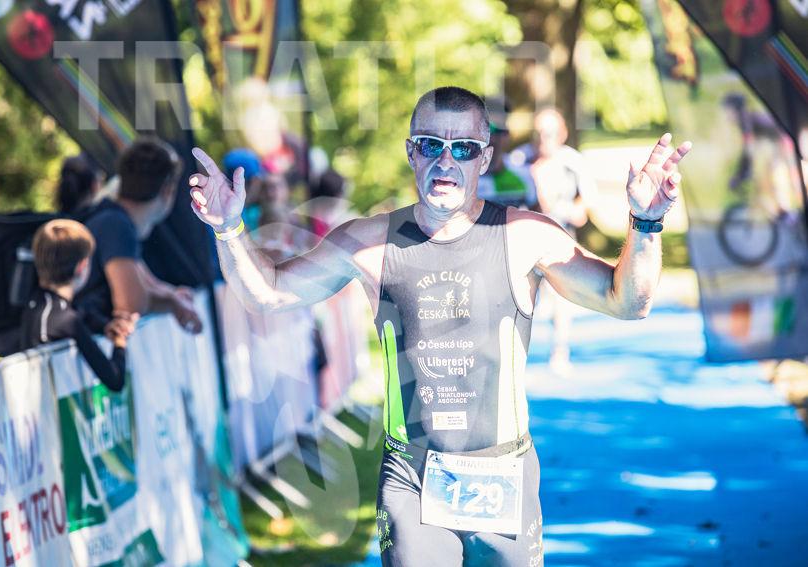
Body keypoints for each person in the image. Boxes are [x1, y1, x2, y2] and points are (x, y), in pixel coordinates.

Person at [188, 86, 691, 567]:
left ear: (484, 159)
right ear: (411, 152)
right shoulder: (368, 243)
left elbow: (628, 302)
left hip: (505, 473)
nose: (445, 161)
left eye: (464, 148)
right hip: (412, 478)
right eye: (431, 145)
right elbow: (269, 292)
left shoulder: (525, 236)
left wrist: (645, 223)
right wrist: (229, 230)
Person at [74, 138, 203, 335]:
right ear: (167, 190)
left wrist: (174, 297)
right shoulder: (117, 225)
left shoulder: (113, 217)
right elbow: (131, 304)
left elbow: (148, 282)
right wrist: (172, 302)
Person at [514, 108, 598, 375]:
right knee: (521, 297)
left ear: (562, 134)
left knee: (561, 298)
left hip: (560, 239)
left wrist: (570, 210)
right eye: (538, 132)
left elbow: (585, 206)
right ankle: (515, 354)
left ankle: (560, 350)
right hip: (524, 240)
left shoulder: (573, 162)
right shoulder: (518, 160)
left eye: (549, 133)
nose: (543, 138)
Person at [20, 219, 138, 391]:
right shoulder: (68, 321)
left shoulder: (35, 303)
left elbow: (84, 313)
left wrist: (104, 326)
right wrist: (120, 341)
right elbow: (115, 379)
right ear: (82, 267)